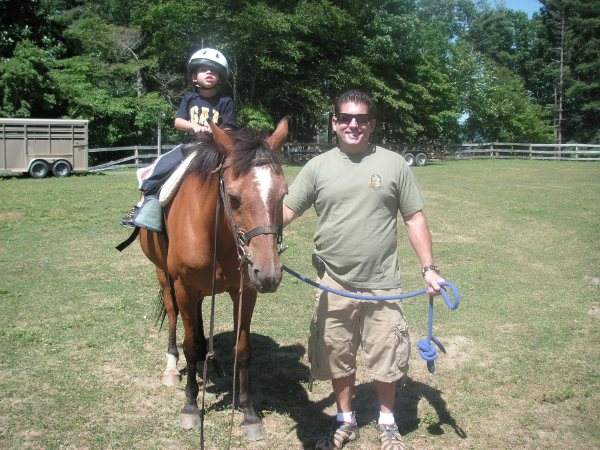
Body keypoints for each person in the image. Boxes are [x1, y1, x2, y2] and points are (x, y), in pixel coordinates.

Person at [283, 90, 445, 450]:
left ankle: (387, 422)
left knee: (387, 354)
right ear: (334, 123)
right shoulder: (317, 167)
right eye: (345, 118)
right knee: (336, 353)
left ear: (372, 124)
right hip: (333, 282)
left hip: (383, 283)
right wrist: (255, 233)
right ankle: (346, 419)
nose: (352, 124)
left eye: (360, 119)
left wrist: (429, 269)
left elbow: (414, 218)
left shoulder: (393, 164)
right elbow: (286, 212)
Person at [120, 47, 235, 229]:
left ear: (220, 77)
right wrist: (194, 126)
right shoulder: (189, 98)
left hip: (214, 148)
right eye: (204, 69)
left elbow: (229, 128)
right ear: (194, 77)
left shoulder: (226, 101)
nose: (209, 73)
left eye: (214, 70)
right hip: (190, 146)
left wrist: (215, 132)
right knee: (159, 167)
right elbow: (178, 121)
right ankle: (141, 206)